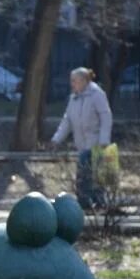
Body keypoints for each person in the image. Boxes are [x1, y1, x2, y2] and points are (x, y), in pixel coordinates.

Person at [50, 67, 114, 209]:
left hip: (96, 143)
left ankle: (93, 203)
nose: (72, 84)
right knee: (88, 175)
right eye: (71, 81)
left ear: (84, 81)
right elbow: (67, 121)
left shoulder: (97, 95)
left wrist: (104, 140)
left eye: (74, 81)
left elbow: (106, 116)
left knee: (90, 175)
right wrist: (56, 139)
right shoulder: (74, 98)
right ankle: (90, 203)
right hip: (82, 144)